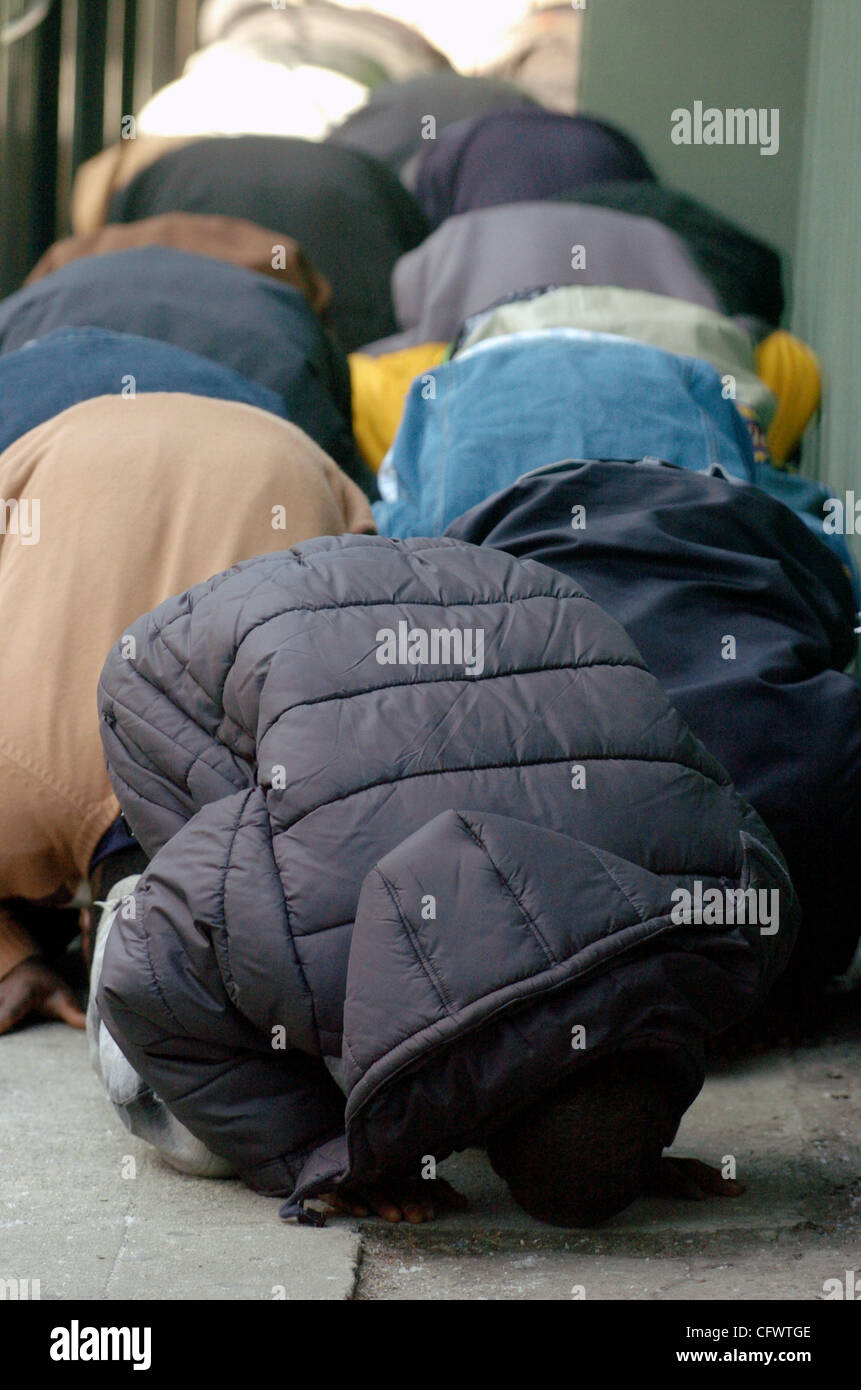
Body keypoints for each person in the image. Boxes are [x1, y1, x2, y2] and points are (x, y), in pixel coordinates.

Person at [91, 533, 796, 1225]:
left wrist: (622, 1150)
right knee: (212, 1065)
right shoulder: (317, 933)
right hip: (181, 669)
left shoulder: (734, 912)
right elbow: (144, 979)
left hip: (514, 591)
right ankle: (134, 893)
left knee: (296, 901)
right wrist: (320, 1156)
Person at [0, 393, 374, 1035]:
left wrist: (12, 960)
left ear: (83, 928)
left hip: (276, 449)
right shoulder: (16, 790)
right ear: (85, 932)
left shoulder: (319, 807)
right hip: (241, 442)